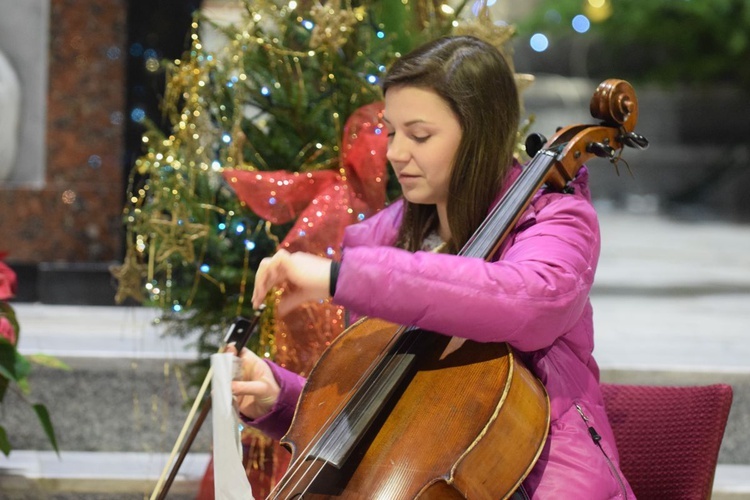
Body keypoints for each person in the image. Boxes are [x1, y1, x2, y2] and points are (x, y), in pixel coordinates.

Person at [228, 35, 635, 498]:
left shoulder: (557, 223)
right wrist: (278, 397)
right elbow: (407, 428)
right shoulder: (383, 238)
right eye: (392, 132)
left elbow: (521, 299)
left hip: (545, 482)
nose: (396, 153)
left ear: (478, 136)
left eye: (419, 135)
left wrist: (346, 277)